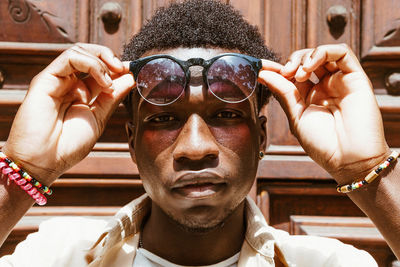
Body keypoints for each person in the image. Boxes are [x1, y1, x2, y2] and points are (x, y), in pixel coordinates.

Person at [0, 0, 399, 266]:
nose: (195, 148)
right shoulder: (55, 257)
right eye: (162, 119)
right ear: (132, 142)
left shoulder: (329, 264)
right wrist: (22, 173)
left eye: (225, 114)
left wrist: (368, 173)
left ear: (262, 138)